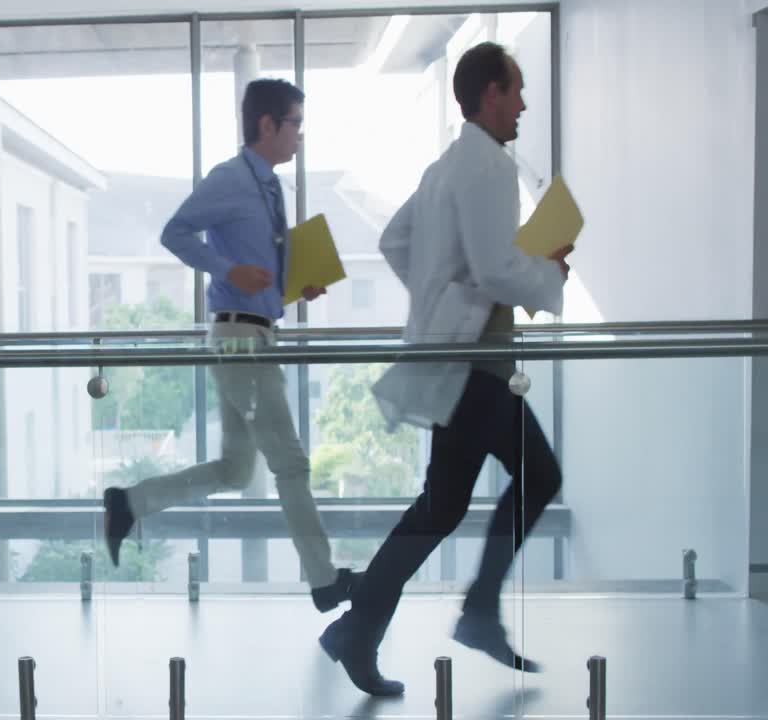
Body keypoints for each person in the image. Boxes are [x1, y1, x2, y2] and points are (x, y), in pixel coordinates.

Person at [318, 42, 571, 696]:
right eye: (515, 91)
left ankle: (358, 630)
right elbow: (493, 269)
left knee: (442, 505)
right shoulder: (485, 166)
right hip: (477, 363)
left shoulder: (443, 167)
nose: (521, 105)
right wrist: (548, 271)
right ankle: (479, 612)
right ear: (489, 93)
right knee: (539, 474)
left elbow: (395, 241)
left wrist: (437, 298)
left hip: (458, 360)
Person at [102, 78, 357, 612]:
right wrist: (227, 268)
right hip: (239, 338)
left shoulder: (270, 188)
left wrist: (295, 284)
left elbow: (257, 274)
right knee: (289, 463)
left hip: (256, 330)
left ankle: (130, 503)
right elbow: (175, 233)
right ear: (267, 125)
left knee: (237, 470)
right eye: (295, 124)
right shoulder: (231, 179)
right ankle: (324, 580)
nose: (300, 137)